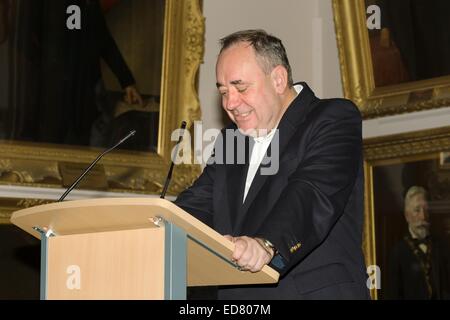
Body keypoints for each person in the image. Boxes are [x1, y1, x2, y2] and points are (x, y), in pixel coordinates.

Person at [175, 29, 369, 299]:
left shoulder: (332, 118)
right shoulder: (231, 140)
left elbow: (312, 194)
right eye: (223, 91)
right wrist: (151, 231)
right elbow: (197, 206)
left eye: (240, 87)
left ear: (278, 79)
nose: (230, 103)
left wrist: (267, 244)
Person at [3, 0, 142, 145]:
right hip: (51, 93)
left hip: (84, 91)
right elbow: (19, 36)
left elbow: (103, 38)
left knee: (81, 146)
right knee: (49, 145)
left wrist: (127, 81)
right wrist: (45, 63)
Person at [386, 186, 450, 299]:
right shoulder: (397, 252)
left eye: (426, 210)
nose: (423, 216)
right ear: (407, 215)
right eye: (417, 210)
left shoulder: (443, 246)